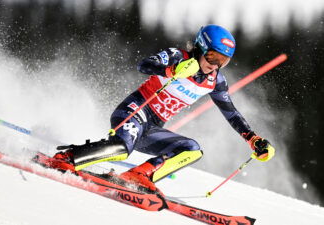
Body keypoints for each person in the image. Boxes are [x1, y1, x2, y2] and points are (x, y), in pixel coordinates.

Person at [53, 25, 275, 191]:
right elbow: (144, 65)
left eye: (223, 61)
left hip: (152, 129)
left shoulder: (215, 81)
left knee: (192, 149)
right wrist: (171, 71)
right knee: (122, 149)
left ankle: (139, 176)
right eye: (212, 56)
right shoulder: (178, 56)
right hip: (134, 111)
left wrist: (253, 140)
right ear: (201, 47)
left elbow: (231, 113)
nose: (215, 65)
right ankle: (69, 158)